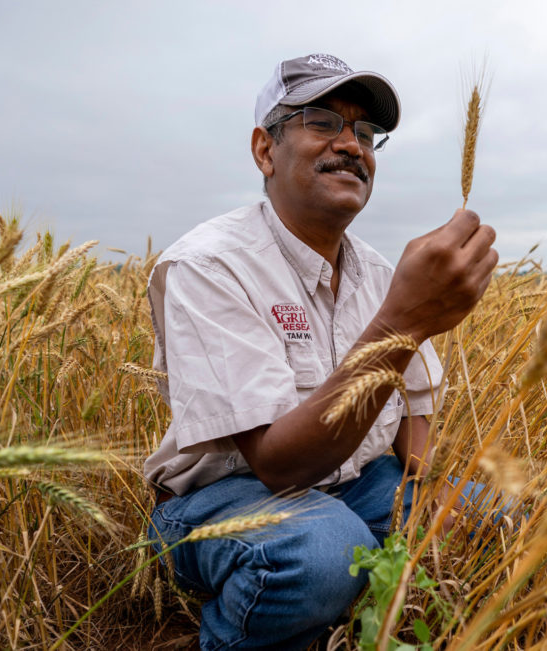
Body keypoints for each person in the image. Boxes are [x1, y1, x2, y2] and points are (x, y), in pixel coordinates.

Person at [145, 53, 498, 650]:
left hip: (360, 480)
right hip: (228, 497)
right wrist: (404, 321)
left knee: (493, 517)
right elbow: (279, 466)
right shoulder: (210, 266)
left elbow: (416, 406)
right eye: (322, 122)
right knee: (323, 556)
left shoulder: (381, 272)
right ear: (265, 150)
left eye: (365, 133)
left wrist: (428, 497)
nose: (351, 145)